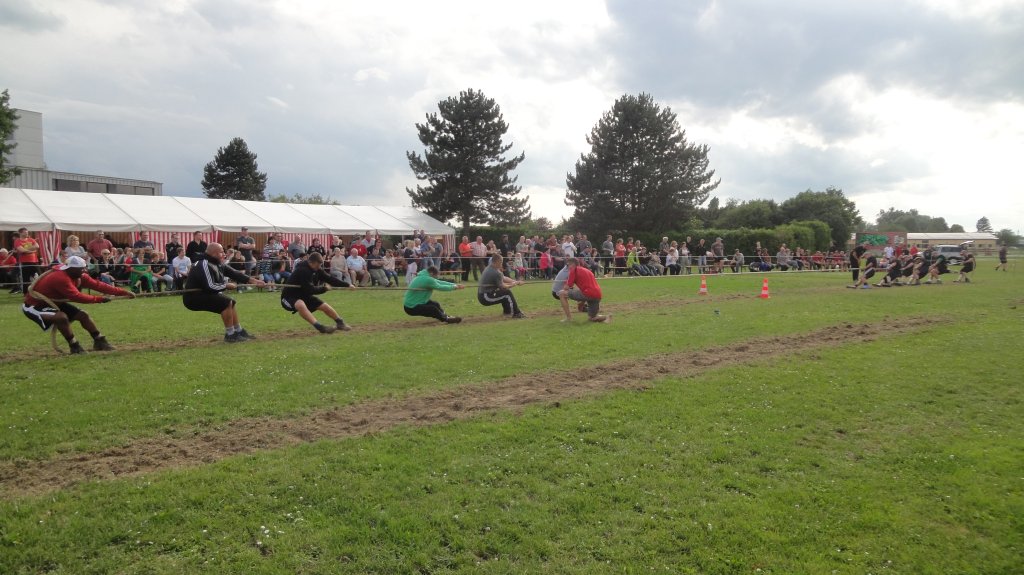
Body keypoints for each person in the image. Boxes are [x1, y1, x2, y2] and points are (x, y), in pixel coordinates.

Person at [21, 256, 135, 354]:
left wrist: (123, 292)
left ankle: (99, 341)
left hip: (55, 302)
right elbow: (77, 296)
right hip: (34, 305)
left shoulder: (79, 275)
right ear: (71, 269)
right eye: (82, 268)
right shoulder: (60, 278)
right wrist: (99, 299)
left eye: (84, 267)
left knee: (83, 315)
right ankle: (74, 346)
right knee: (61, 317)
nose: (84, 270)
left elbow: (99, 285)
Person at [182, 243, 266, 342]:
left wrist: (255, 281)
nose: (224, 254)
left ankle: (238, 331)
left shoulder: (217, 263)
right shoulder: (203, 264)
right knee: (226, 302)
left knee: (231, 302)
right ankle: (230, 335)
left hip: (205, 293)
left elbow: (235, 273)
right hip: (193, 298)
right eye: (222, 252)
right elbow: (210, 286)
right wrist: (226, 285)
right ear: (214, 253)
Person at [280, 252, 355, 333]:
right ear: (311, 262)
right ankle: (320, 327)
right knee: (300, 304)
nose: (319, 267)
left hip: (304, 295)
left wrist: (347, 285)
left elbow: (330, 279)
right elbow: (310, 290)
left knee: (324, 306)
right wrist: (324, 288)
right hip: (289, 297)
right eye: (317, 265)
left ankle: (340, 323)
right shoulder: (302, 270)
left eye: (320, 265)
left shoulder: (317, 269)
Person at [558, 257, 609, 323]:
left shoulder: (574, 270)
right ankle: (606, 317)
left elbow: (567, 287)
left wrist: (565, 283)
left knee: (561, 293)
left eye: (568, 265)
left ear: (572, 264)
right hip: (597, 295)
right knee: (592, 318)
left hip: (588, 293)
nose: (567, 267)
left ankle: (568, 318)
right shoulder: (587, 270)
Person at [477, 254, 526, 318]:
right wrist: (514, 284)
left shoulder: (490, 267)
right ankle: (516, 313)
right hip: (485, 297)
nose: (502, 264)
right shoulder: (495, 272)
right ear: (497, 262)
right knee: (507, 293)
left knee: (505, 292)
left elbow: (504, 278)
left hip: (483, 295)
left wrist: (516, 282)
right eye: (501, 262)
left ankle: (507, 312)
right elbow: (503, 286)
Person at [13, 227, 41, 294]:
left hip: (34, 261)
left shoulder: (31, 239)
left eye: (27, 232)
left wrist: (26, 250)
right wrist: (32, 250)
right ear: (20, 233)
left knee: (39, 276)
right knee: (25, 278)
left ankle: (40, 290)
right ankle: (26, 294)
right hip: (24, 262)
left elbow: (37, 246)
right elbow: (21, 250)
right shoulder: (17, 241)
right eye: (25, 232)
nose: (27, 234)